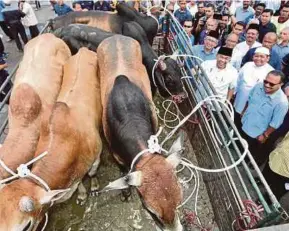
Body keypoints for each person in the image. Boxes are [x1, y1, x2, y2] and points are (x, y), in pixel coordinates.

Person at [239, 70, 288, 165]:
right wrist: (243, 112)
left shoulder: (282, 103)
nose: (267, 85)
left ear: (281, 84)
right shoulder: (258, 86)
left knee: (250, 151)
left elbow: (275, 123)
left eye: (272, 84)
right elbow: (249, 99)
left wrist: (265, 135)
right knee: (241, 143)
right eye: (266, 81)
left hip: (256, 134)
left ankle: (245, 162)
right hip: (245, 122)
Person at [234, 47, 274, 126]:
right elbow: (238, 79)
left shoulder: (270, 72)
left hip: (253, 106)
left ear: (267, 58)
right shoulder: (248, 65)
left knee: (243, 125)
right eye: (256, 56)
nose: (258, 58)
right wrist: (234, 93)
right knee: (233, 118)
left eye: (262, 56)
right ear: (253, 57)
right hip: (239, 100)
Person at [262, 131, 289, 201]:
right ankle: (264, 181)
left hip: (286, 170)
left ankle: (269, 200)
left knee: (279, 187)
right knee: (271, 168)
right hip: (280, 154)